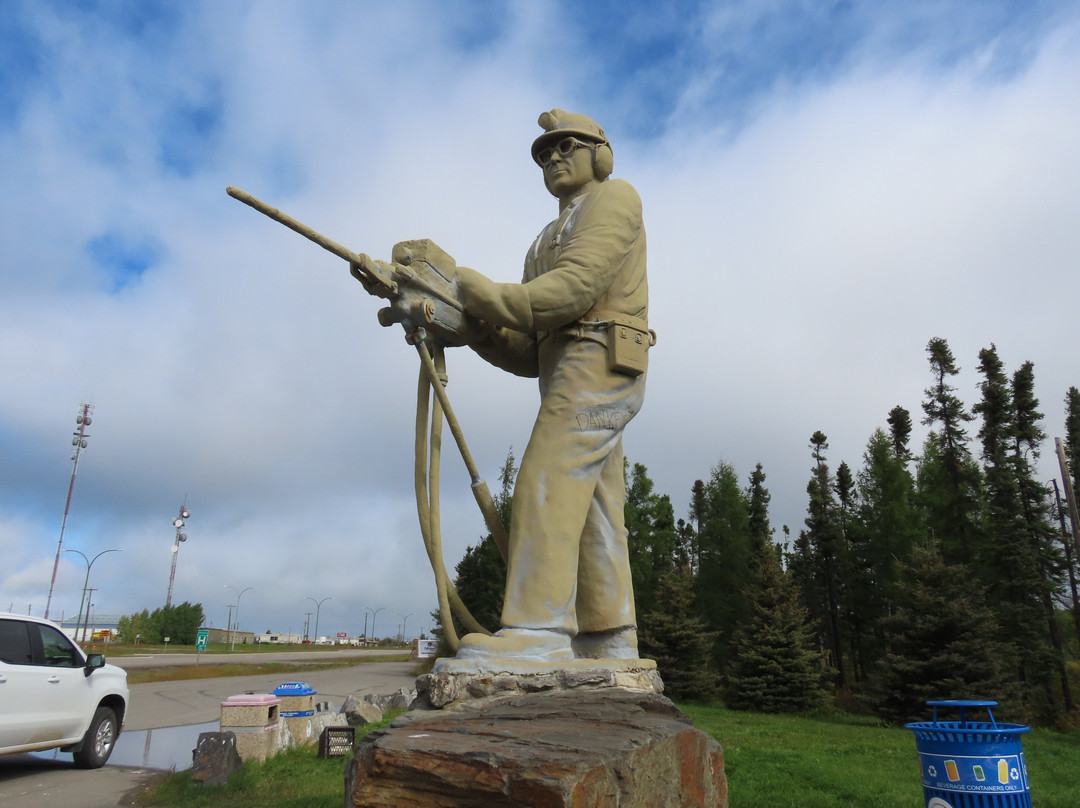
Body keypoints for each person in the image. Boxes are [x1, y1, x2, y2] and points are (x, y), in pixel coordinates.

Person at [452, 109, 652, 662]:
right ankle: (609, 637)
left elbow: (571, 291)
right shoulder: (542, 241)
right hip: (566, 367)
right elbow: (526, 346)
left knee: (548, 478)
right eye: (544, 154)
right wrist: (471, 326)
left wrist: (472, 289)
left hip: (602, 356)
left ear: (599, 154)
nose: (553, 157)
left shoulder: (615, 199)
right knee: (594, 506)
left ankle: (538, 631)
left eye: (567, 146)